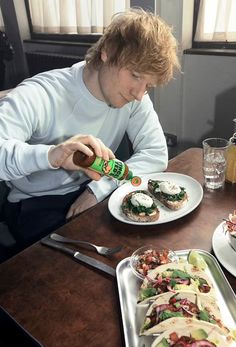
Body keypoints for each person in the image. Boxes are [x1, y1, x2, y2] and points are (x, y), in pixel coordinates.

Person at [0, 8, 180, 254]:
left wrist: (99, 189)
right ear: (107, 52)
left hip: (95, 191)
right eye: (136, 75)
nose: (139, 94)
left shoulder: (136, 98)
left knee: (145, 248)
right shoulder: (41, 93)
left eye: (148, 85)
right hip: (35, 203)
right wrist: (52, 155)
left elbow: (156, 153)